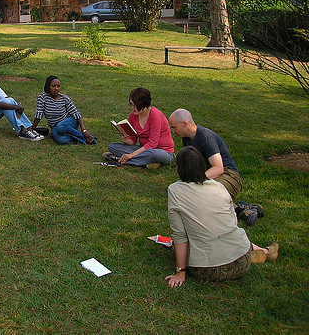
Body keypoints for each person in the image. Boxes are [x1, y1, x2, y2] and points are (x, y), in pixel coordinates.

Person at [164, 146, 278, 288]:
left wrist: (180, 271)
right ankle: (263, 251)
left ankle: (259, 252)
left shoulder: (175, 190)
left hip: (206, 270)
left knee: (179, 246)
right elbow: (233, 222)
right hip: (242, 261)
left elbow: (180, 235)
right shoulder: (218, 186)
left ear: (179, 168)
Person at [169, 108, 264, 226]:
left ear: (184, 124)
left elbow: (218, 168)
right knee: (193, 196)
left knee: (202, 196)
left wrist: (195, 181)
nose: (173, 131)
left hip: (228, 176)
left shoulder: (206, 138)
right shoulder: (187, 139)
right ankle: (242, 209)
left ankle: (240, 210)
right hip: (211, 177)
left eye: (174, 127)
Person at [104, 87, 174, 168]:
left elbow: (153, 143)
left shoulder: (155, 116)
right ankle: (144, 162)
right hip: (143, 149)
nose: (133, 108)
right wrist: (126, 140)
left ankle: (121, 159)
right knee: (112, 146)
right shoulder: (133, 115)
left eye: (135, 105)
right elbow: (133, 140)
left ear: (144, 104)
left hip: (161, 150)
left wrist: (132, 155)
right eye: (131, 104)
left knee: (153, 154)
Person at [31, 75, 96, 145]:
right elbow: (39, 115)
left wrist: (84, 130)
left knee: (60, 127)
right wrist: (32, 130)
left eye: (58, 86)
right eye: (53, 86)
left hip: (69, 122)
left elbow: (76, 114)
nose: (56, 88)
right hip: (54, 126)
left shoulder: (64, 99)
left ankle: (85, 136)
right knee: (62, 140)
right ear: (48, 87)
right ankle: (84, 138)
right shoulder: (42, 98)